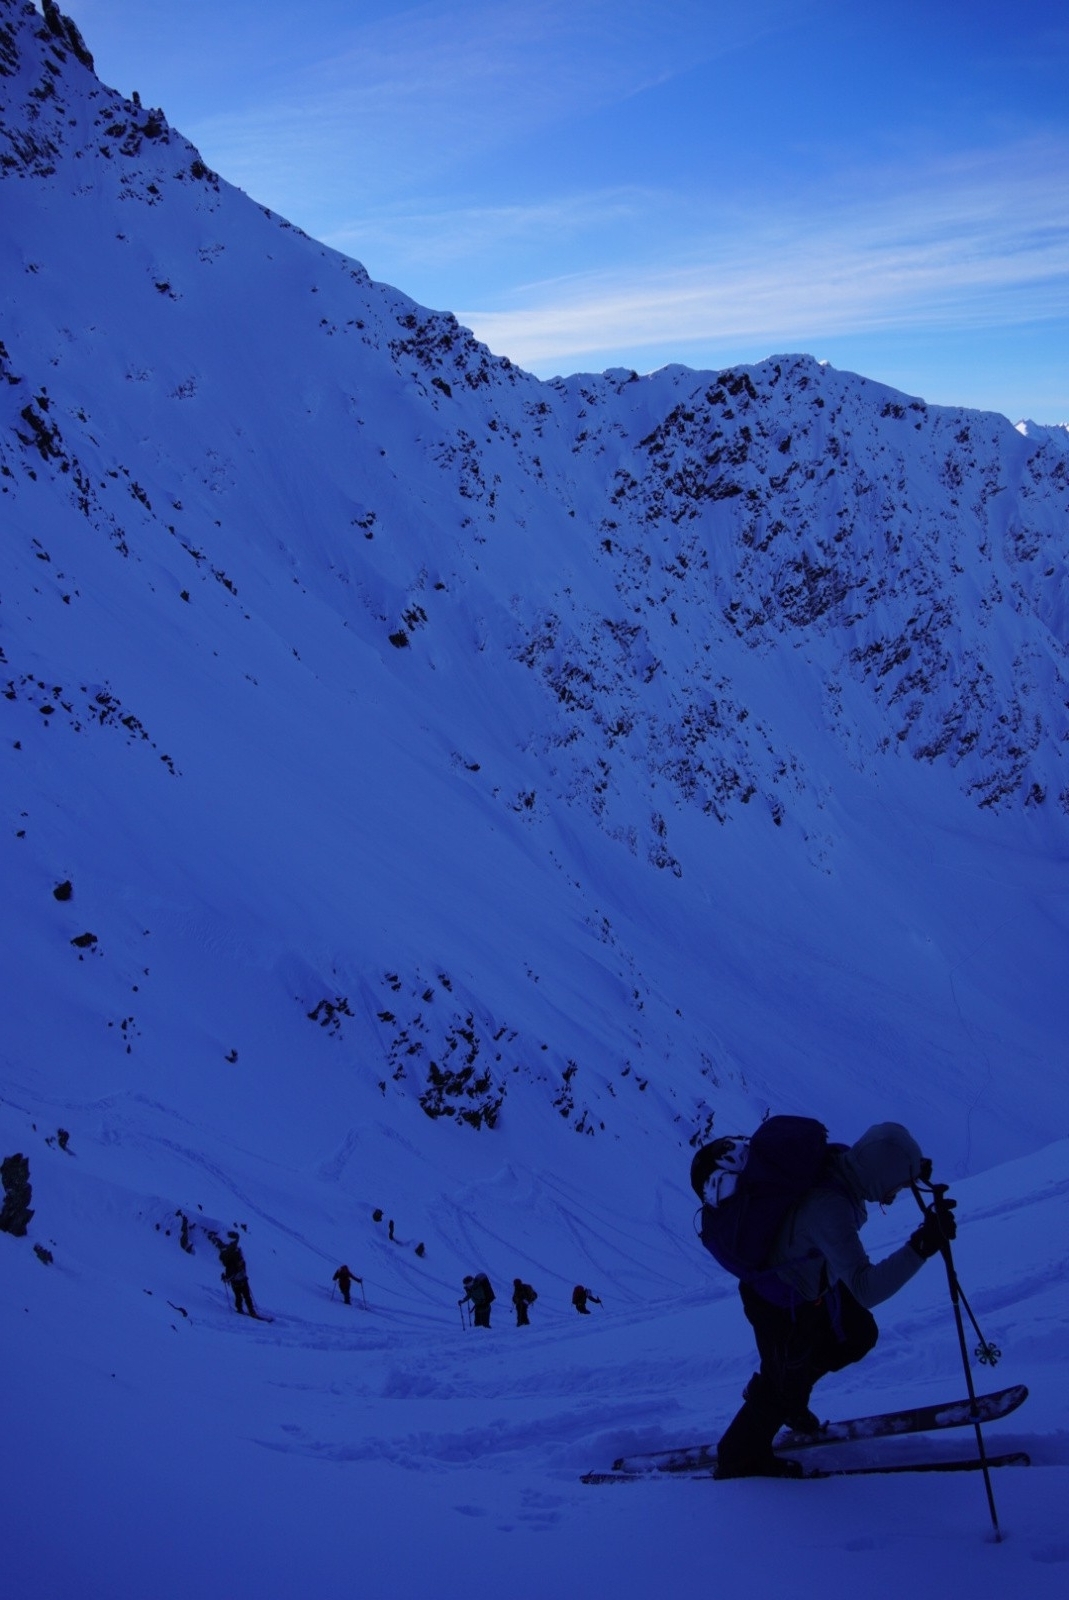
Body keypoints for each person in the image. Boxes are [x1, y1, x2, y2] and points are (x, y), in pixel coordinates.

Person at [713, 1122, 955, 1479]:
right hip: (779, 1302)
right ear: (880, 1175)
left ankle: (791, 1400)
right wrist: (920, 1247)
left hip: (812, 1287)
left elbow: (881, 1157)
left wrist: (912, 1168)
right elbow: (865, 1288)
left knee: (855, 1335)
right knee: (781, 1382)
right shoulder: (831, 1210)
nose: (896, 1193)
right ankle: (738, 1456)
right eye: (896, 1185)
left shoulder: (843, 1162)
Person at [219, 1232, 256, 1316]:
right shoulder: (237, 1261)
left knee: (243, 1296)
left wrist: (226, 1278)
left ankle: (245, 1309)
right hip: (240, 1281)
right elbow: (232, 1272)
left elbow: (230, 1274)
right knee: (244, 1296)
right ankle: (247, 1310)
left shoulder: (235, 1262)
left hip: (238, 1281)